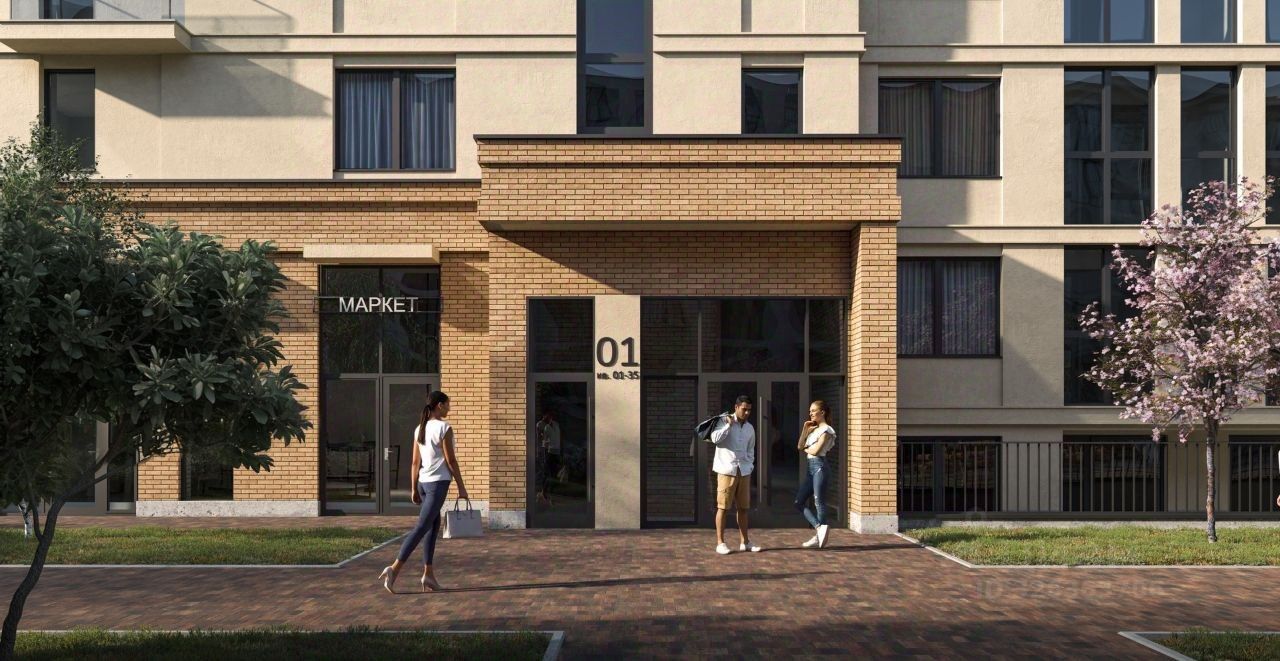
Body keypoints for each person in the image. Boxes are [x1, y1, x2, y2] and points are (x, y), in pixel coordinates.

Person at [379, 390, 469, 593]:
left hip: (423, 483)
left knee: (432, 527)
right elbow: (451, 460)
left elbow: (414, 462)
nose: (449, 408)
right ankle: (394, 569)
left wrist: (413, 488)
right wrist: (461, 487)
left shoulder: (419, 428)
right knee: (421, 527)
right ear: (439, 405)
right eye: (447, 404)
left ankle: (428, 575)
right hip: (437, 485)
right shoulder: (444, 427)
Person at [710, 395, 762, 555]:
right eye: (744, 409)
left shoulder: (750, 428)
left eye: (749, 410)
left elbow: (751, 448)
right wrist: (728, 425)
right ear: (736, 407)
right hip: (727, 470)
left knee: (743, 508)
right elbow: (715, 439)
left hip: (744, 471)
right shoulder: (723, 421)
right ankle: (720, 543)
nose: (747, 412)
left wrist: (750, 465)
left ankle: (745, 542)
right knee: (723, 507)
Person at [795, 400, 836, 549]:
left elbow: (816, 451)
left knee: (819, 502)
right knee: (798, 502)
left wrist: (806, 448)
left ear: (822, 412)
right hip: (810, 468)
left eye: (813, 411)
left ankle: (819, 537)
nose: (810, 413)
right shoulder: (814, 429)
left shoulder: (827, 430)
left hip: (820, 467)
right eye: (810, 411)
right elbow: (799, 445)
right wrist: (805, 429)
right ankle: (819, 528)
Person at [535, 409, 561, 506]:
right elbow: (541, 438)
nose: (549, 417)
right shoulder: (540, 425)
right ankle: (543, 495)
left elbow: (558, 438)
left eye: (551, 415)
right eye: (548, 415)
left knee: (552, 473)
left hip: (554, 451)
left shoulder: (555, 425)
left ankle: (545, 494)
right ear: (544, 415)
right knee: (546, 473)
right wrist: (542, 450)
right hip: (546, 451)